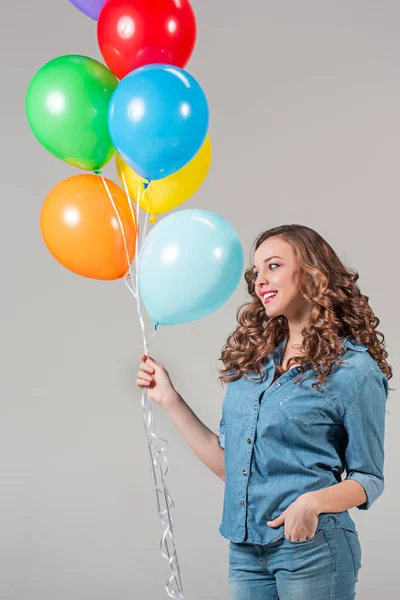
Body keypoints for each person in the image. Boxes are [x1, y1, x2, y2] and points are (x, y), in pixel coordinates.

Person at [136, 224, 393, 599]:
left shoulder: (354, 371)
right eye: (256, 272)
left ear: (312, 272)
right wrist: (170, 399)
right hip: (245, 551)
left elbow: (369, 478)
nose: (260, 281)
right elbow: (230, 466)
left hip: (312, 547)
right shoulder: (253, 365)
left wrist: (312, 502)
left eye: (272, 266)